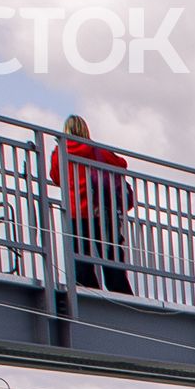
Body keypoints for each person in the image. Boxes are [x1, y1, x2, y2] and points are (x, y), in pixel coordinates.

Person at [48, 114, 136, 293]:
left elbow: (56, 178)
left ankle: (90, 292)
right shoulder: (97, 150)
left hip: (75, 212)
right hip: (101, 210)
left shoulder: (60, 152)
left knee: (81, 255)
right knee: (110, 254)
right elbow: (121, 164)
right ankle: (121, 293)